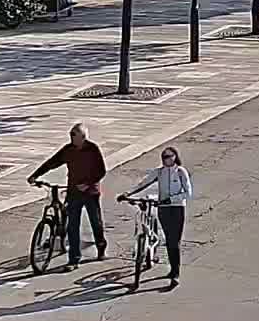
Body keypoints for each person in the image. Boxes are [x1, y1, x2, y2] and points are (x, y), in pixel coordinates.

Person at [29, 123, 108, 269]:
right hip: (74, 192)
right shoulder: (68, 150)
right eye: (70, 134)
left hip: (91, 193)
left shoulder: (93, 149)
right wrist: (35, 175)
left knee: (95, 222)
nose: (71, 137)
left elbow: (101, 171)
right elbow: (52, 162)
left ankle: (101, 248)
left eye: (73, 135)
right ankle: (74, 259)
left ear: (83, 137)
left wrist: (88, 184)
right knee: (72, 226)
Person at [123, 146, 194, 287]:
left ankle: (175, 273)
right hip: (163, 209)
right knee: (169, 240)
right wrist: (127, 194)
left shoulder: (180, 172)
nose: (166, 159)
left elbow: (188, 193)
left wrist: (172, 199)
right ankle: (172, 269)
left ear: (175, 157)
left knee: (175, 241)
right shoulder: (159, 172)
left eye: (169, 156)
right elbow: (144, 183)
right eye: (164, 157)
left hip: (177, 209)